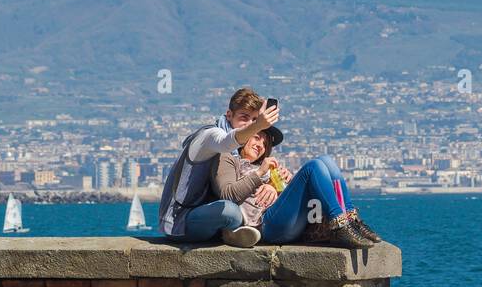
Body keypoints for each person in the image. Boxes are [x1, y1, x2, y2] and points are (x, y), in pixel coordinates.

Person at [212, 122, 382, 249]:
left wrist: (287, 182)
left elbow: (289, 198)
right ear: (244, 138)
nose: (260, 145)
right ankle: (340, 225)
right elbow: (230, 193)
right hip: (266, 225)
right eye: (257, 138)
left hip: (289, 220)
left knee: (326, 160)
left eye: (265, 143)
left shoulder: (268, 168)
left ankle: (352, 220)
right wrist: (262, 175)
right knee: (313, 167)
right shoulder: (235, 163)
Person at [158, 88, 279, 248]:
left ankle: (232, 233)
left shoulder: (238, 154)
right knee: (229, 211)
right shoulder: (210, 136)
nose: (251, 125)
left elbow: (240, 181)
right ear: (229, 115)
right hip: (179, 221)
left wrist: (270, 185)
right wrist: (258, 125)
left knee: (232, 211)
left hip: (204, 216)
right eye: (245, 118)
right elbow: (226, 142)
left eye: (255, 120)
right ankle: (232, 230)